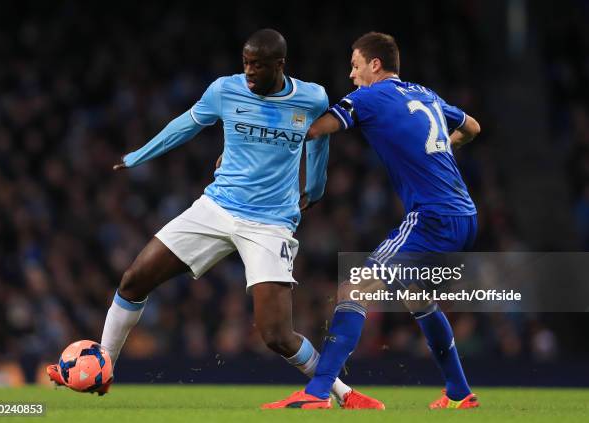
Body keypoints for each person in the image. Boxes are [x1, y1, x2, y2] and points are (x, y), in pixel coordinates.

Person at [46, 28, 382, 409]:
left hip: (269, 223)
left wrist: (316, 187)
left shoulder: (311, 96)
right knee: (134, 280)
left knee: (276, 334)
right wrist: (139, 155)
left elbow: (319, 139)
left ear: (279, 65)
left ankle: (343, 394)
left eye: (258, 65)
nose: (250, 71)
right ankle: (101, 368)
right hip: (217, 208)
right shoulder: (225, 89)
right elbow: (186, 124)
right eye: (246, 63)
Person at [263, 32, 481, 410]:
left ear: (375, 65)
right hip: (466, 215)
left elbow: (315, 129)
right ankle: (460, 393)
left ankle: (317, 392)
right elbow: (473, 127)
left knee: (353, 289)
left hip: (431, 217)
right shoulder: (424, 94)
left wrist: (257, 146)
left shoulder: (370, 96)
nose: (351, 74)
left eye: (355, 64)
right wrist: (443, 149)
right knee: (417, 299)